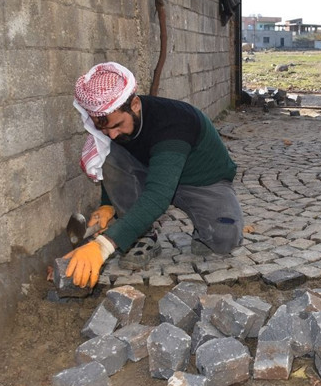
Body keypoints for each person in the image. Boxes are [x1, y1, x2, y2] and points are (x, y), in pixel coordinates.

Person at [64, 62, 244, 288]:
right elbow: (113, 161)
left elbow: (158, 196)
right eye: (105, 129)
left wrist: (103, 246)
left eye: (118, 125)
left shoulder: (173, 124)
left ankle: (204, 226)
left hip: (203, 183)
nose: (112, 133)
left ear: (136, 104)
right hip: (153, 172)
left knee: (224, 239)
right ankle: (143, 236)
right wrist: (107, 206)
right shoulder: (116, 127)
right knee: (108, 150)